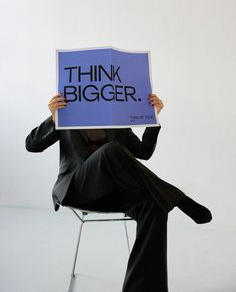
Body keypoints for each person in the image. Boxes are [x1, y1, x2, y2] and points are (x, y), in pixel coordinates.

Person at [25, 93, 212, 292]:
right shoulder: (67, 116)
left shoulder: (119, 122)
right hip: (76, 188)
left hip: (114, 193)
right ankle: (177, 196)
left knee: (154, 205)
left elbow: (144, 152)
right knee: (110, 150)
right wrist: (54, 118)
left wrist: (153, 117)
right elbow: (32, 145)